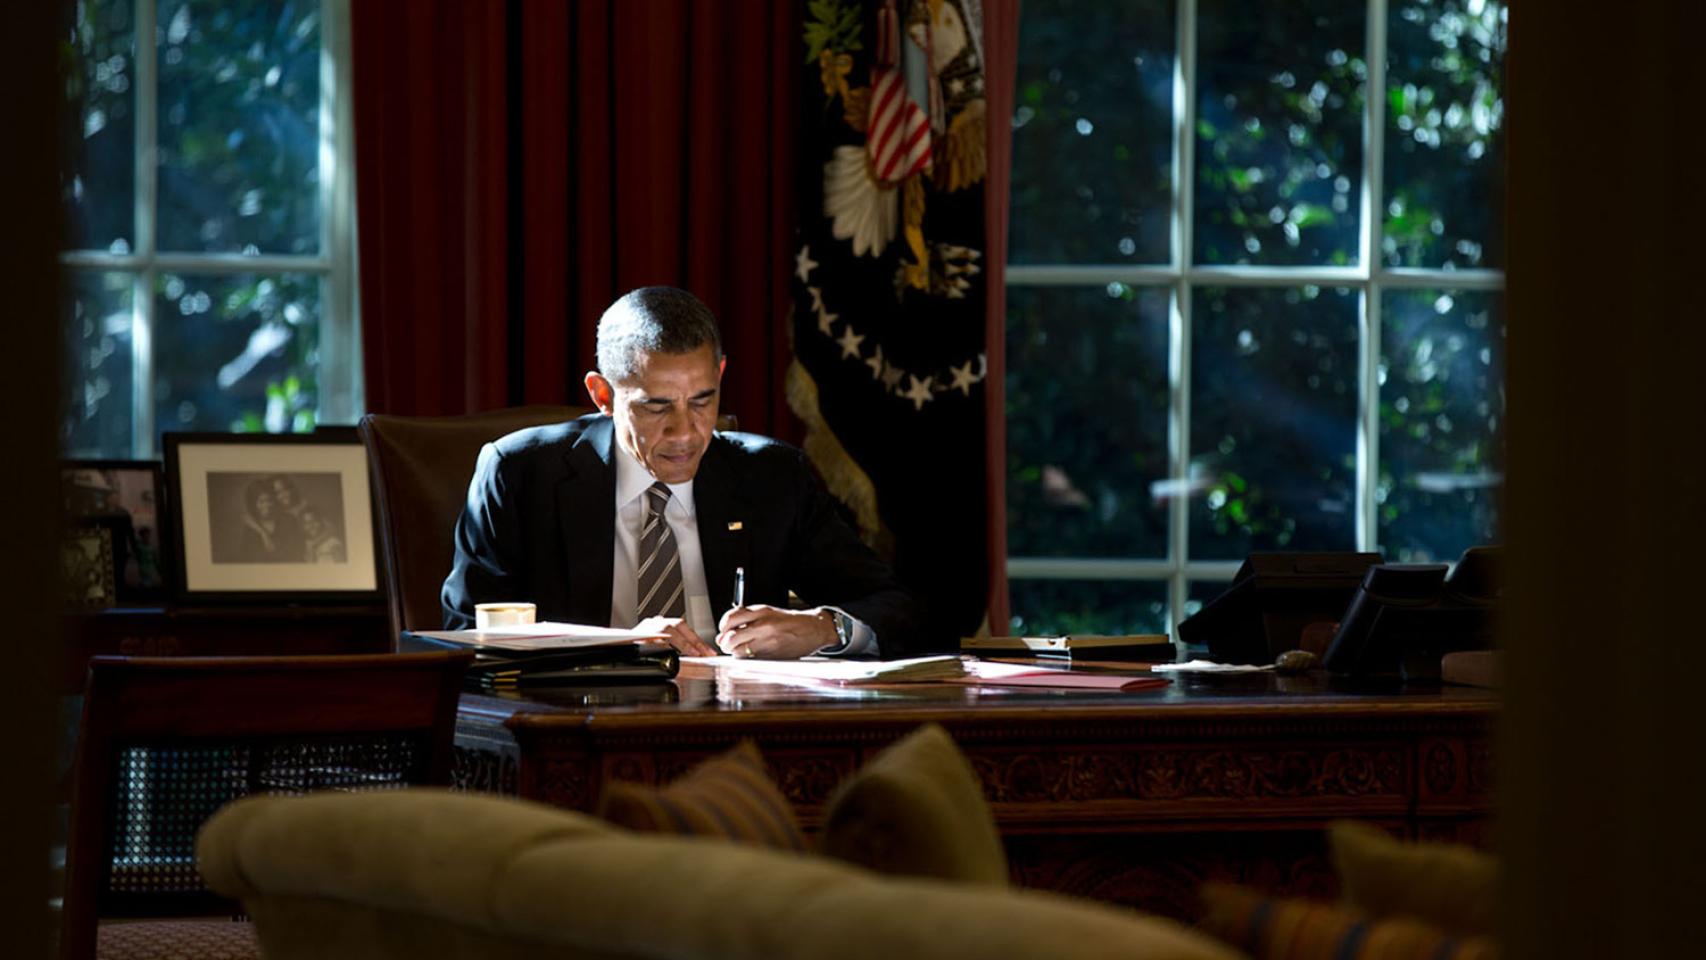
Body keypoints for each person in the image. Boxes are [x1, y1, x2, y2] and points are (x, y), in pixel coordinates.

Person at [442, 286, 924, 659]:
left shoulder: (771, 476)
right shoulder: (521, 473)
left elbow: (897, 607)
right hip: (576, 729)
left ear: (721, 375)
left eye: (702, 401)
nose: (685, 433)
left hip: (740, 734)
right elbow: (465, 633)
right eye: (656, 407)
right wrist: (614, 646)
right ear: (602, 395)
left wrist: (825, 627)